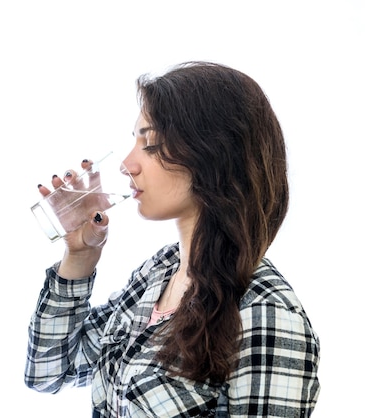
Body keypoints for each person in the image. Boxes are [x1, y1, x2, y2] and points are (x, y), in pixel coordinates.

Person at [24, 61, 320, 417]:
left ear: (211, 155)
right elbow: (48, 372)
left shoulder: (267, 314)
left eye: (150, 144)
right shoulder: (159, 274)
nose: (127, 164)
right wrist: (81, 256)